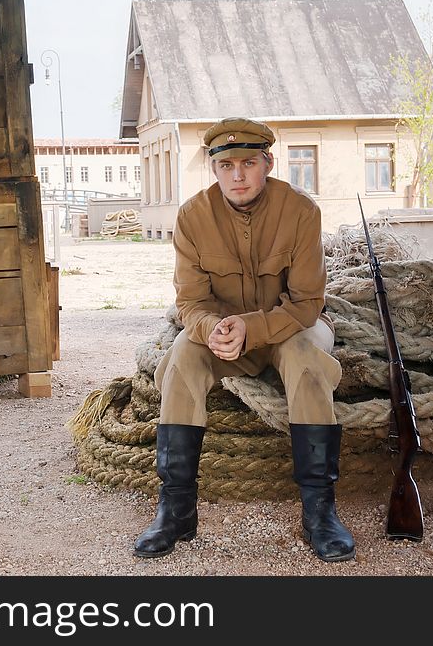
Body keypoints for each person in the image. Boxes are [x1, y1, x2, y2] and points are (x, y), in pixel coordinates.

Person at [133, 117, 355, 562]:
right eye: (227, 164)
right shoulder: (192, 217)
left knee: (305, 356)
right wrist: (211, 330)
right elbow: (190, 303)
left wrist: (251, 328)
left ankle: (320, 512)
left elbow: (308, 303)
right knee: (181, 356)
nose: (238, 175)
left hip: (288, 327)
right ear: (213, 169)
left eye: (249, 163)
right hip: (221, 333)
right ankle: (175, 509)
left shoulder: (301, 212)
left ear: (267, 163)